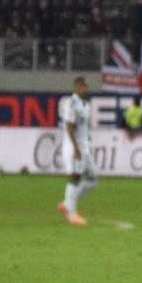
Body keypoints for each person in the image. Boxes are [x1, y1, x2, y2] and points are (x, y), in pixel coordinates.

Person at [57, 76, 96, 226]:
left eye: (86, 86)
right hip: (74, 147)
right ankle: (72, 215)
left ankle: (67, 203)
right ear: (76, 87)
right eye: (83, 86)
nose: (85, 89)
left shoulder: (86, 104)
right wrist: (75, 147)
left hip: (84, 147)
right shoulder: (72, 103)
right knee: (74, 177)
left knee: (92, 179)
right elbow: (69, 126)